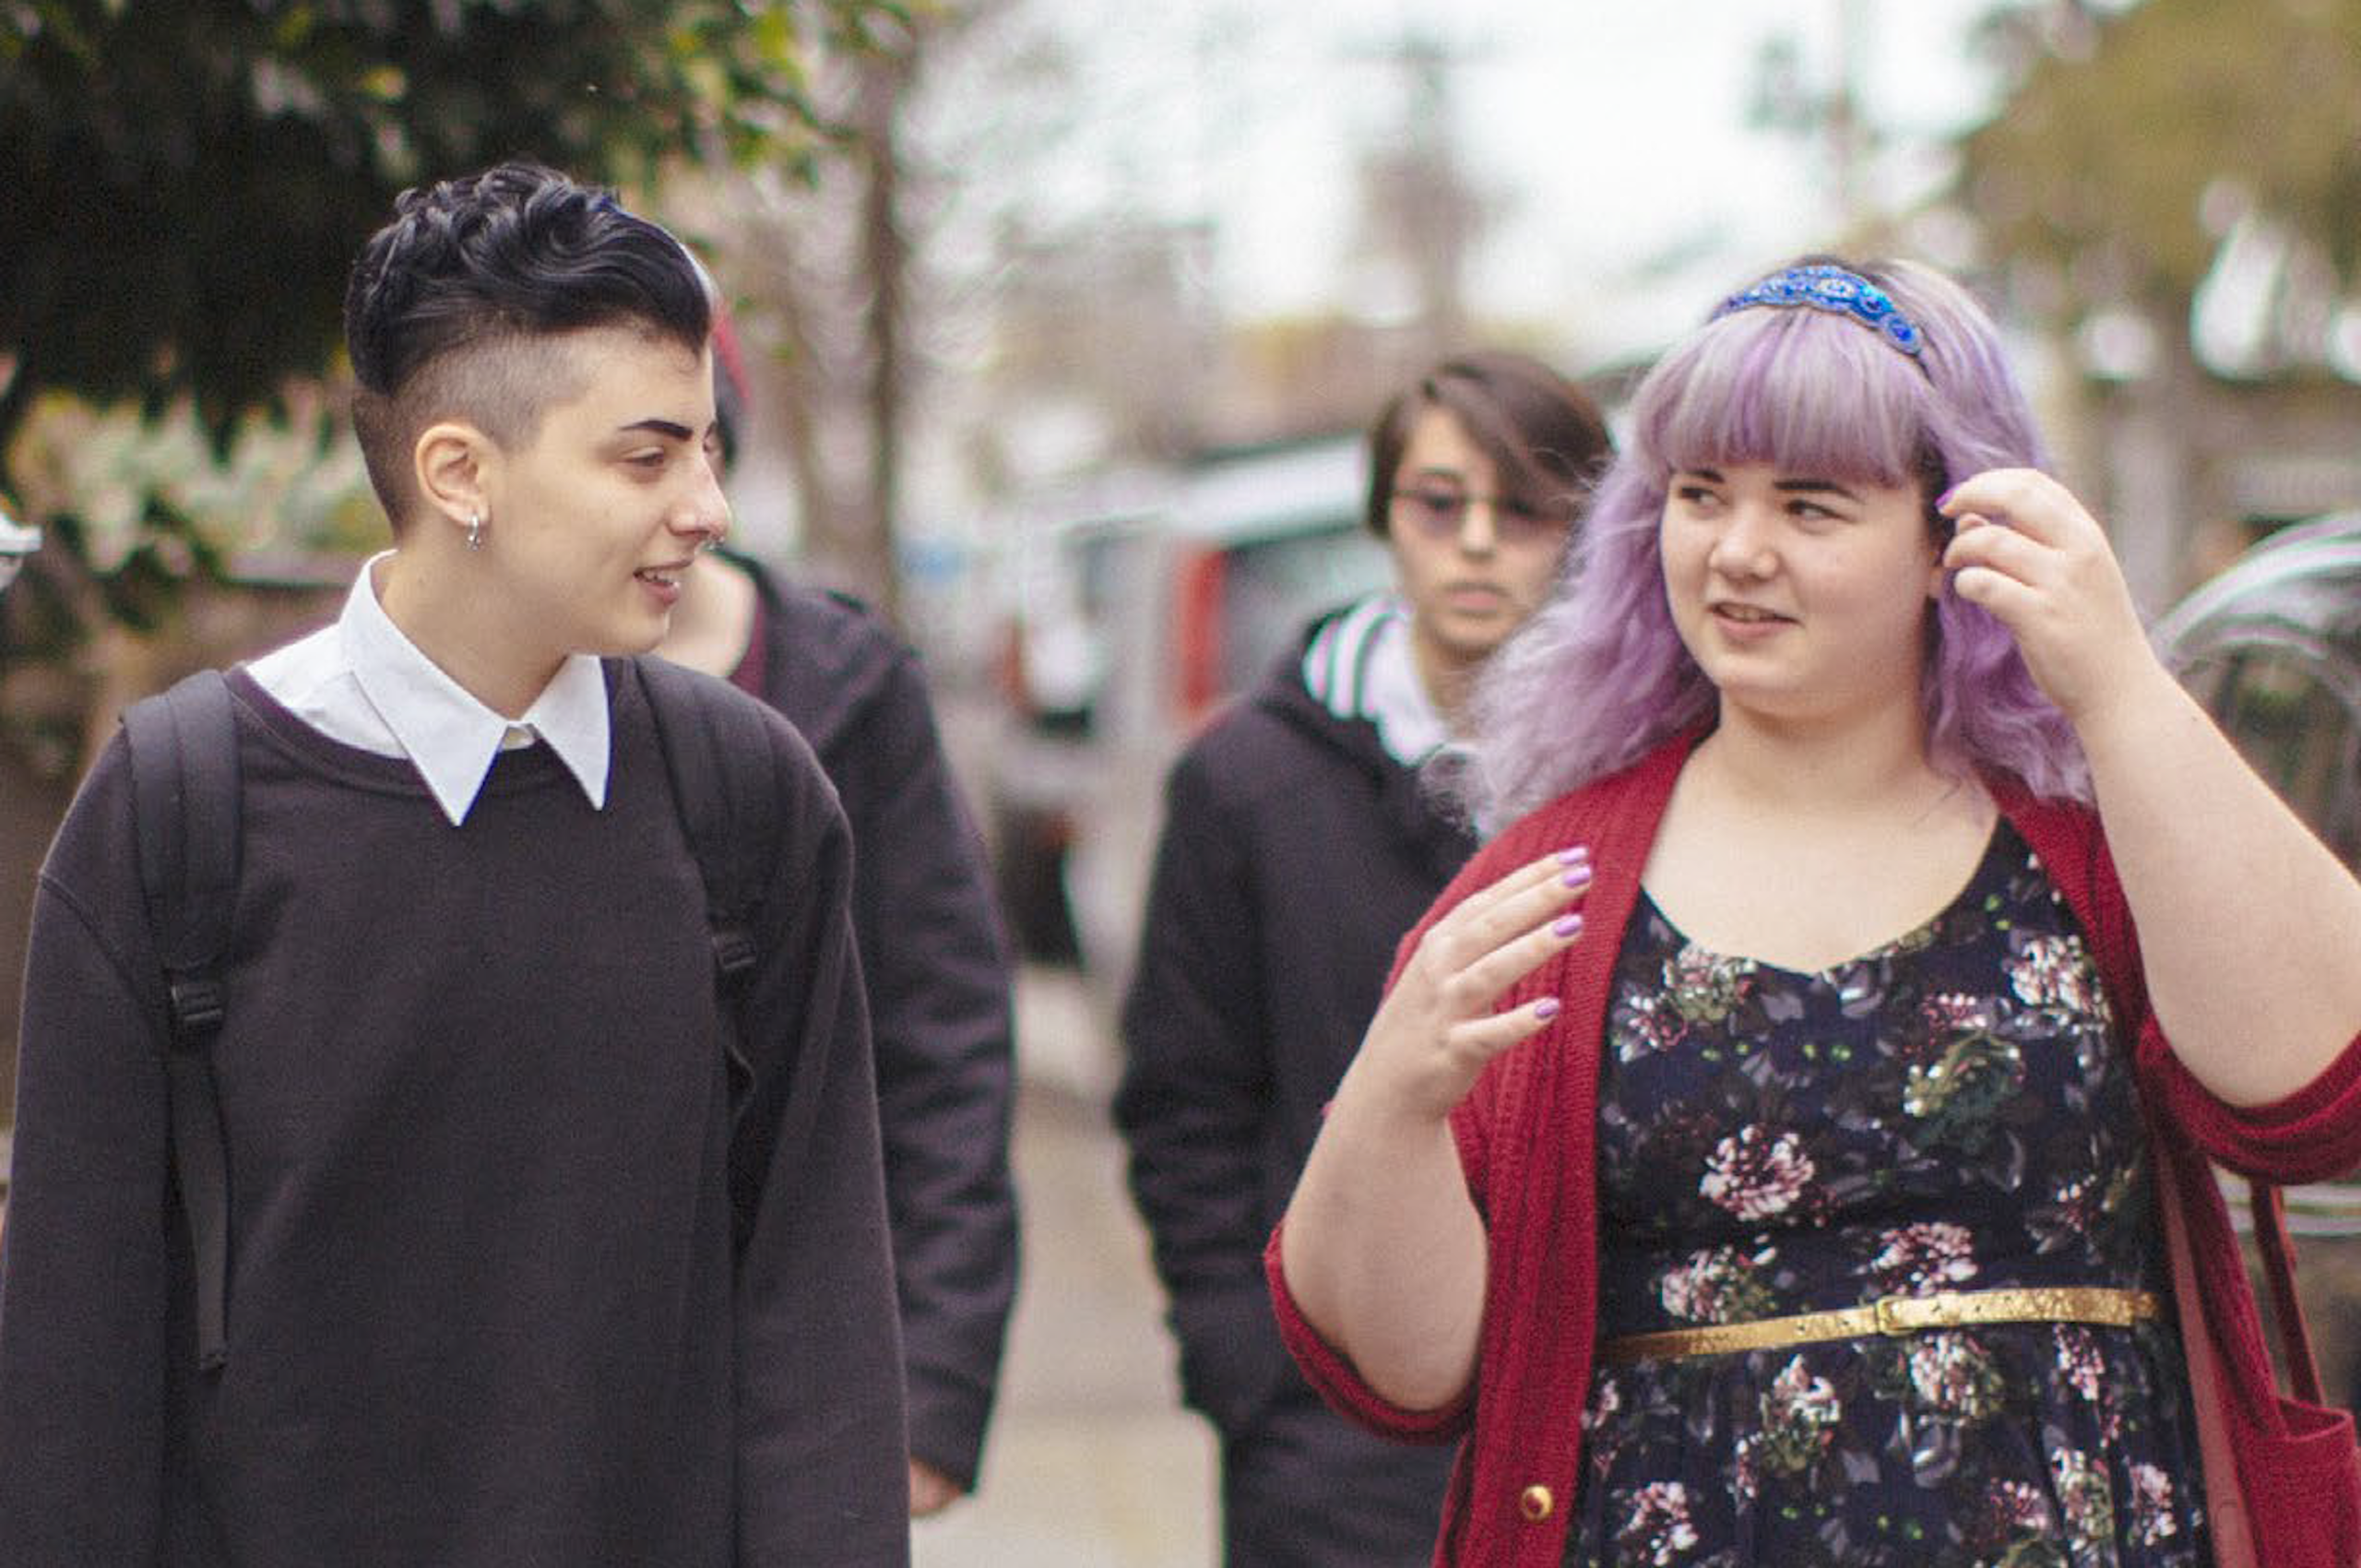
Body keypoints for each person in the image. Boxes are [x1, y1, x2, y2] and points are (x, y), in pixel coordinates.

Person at [1270, 259, 2361, 1567]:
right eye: (1698, 495)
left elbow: (2315, 1095)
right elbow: (1400, 1373)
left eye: (1812, 503)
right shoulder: (1551, 882)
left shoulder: (2089, 836)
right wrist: (1393, 1099)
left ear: (1956, 536)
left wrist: (2119, 683)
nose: (1739, 550)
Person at [0, 161, 908, 1566]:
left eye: (709, 451)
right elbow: (74, 1379)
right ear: (458, 473)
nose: (708, 508)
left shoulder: (747, 799)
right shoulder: (176, 813)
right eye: (649, 456)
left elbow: (814, 1306)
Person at [1117, 352, 1612, 1566]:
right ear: (1385, 519)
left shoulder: (1641, 780)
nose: (1479, 545)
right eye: (1440, 504)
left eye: (1526, 507)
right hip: (1331, 1442)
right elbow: (1184, 1105)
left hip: (1595, 1426)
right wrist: (1252, 1372)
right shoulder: (1248, 782)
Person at [657, 339, 1019, 1517]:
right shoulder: (514, 695)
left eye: (690, 444)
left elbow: (946, 1034)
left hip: (811, 1356)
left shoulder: (850, 688)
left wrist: (936, 1382)